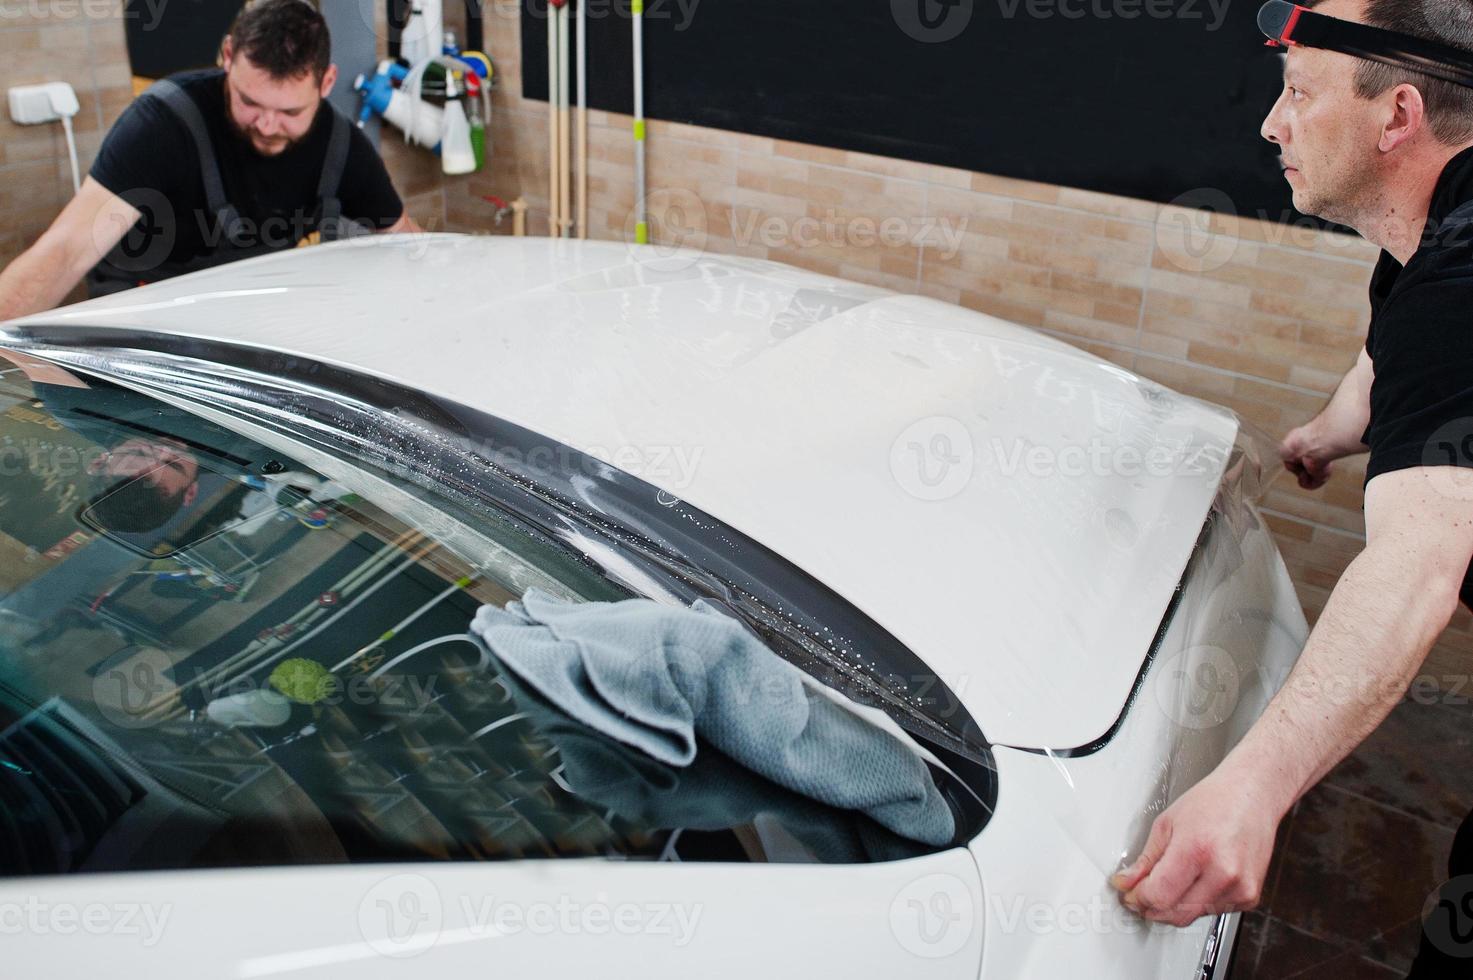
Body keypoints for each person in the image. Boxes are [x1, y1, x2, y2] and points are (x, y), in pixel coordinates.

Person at [1108, 0, 1473, 972]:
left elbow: (1419, 563)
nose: (1271, 123)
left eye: (1298, 92)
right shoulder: (1434, 224)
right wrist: (1326, 434)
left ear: (1396, 116)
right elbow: (1392, 352)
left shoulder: (1458, 289)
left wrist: (1250, 791)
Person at [0, 0, 420, 320]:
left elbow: (405, 242)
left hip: (252, 314)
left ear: (326, 82)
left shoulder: (342, 146)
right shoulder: (161, 124)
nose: (269, 125)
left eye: (291, 112)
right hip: (145, 315)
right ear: (227, 55)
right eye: (250, 102)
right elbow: (64, 253)